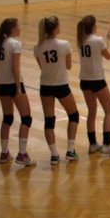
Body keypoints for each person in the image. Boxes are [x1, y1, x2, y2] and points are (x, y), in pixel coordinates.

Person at [34, 16, 81, 164]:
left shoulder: (37, 46)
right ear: (55, 29)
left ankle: (54, 155)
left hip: (45, 86)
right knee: (74, 115)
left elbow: (42, 66)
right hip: (61, 85)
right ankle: (70, 151)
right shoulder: (64, 44)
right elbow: (68, 66)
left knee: (49, 120)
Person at [0, 18, 36, 166]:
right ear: (12, 29)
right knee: (26, 118)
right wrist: (18, 87)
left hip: (2, 85)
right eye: (18, 26)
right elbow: (15, 67)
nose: (20, 28)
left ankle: (4, 153)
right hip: (14, 84)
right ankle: (22, 154)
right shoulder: (15, 44)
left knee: (7, 118)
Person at [77, 15, 110, 157]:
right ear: (92, 26)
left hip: (84, 80)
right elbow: (108, 56)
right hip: (97, 80)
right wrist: (109, 41)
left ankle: (93, 144)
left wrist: (106, 40)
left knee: (92, 112)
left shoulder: (80, 40)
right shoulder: (98, 40)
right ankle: (107, 145)